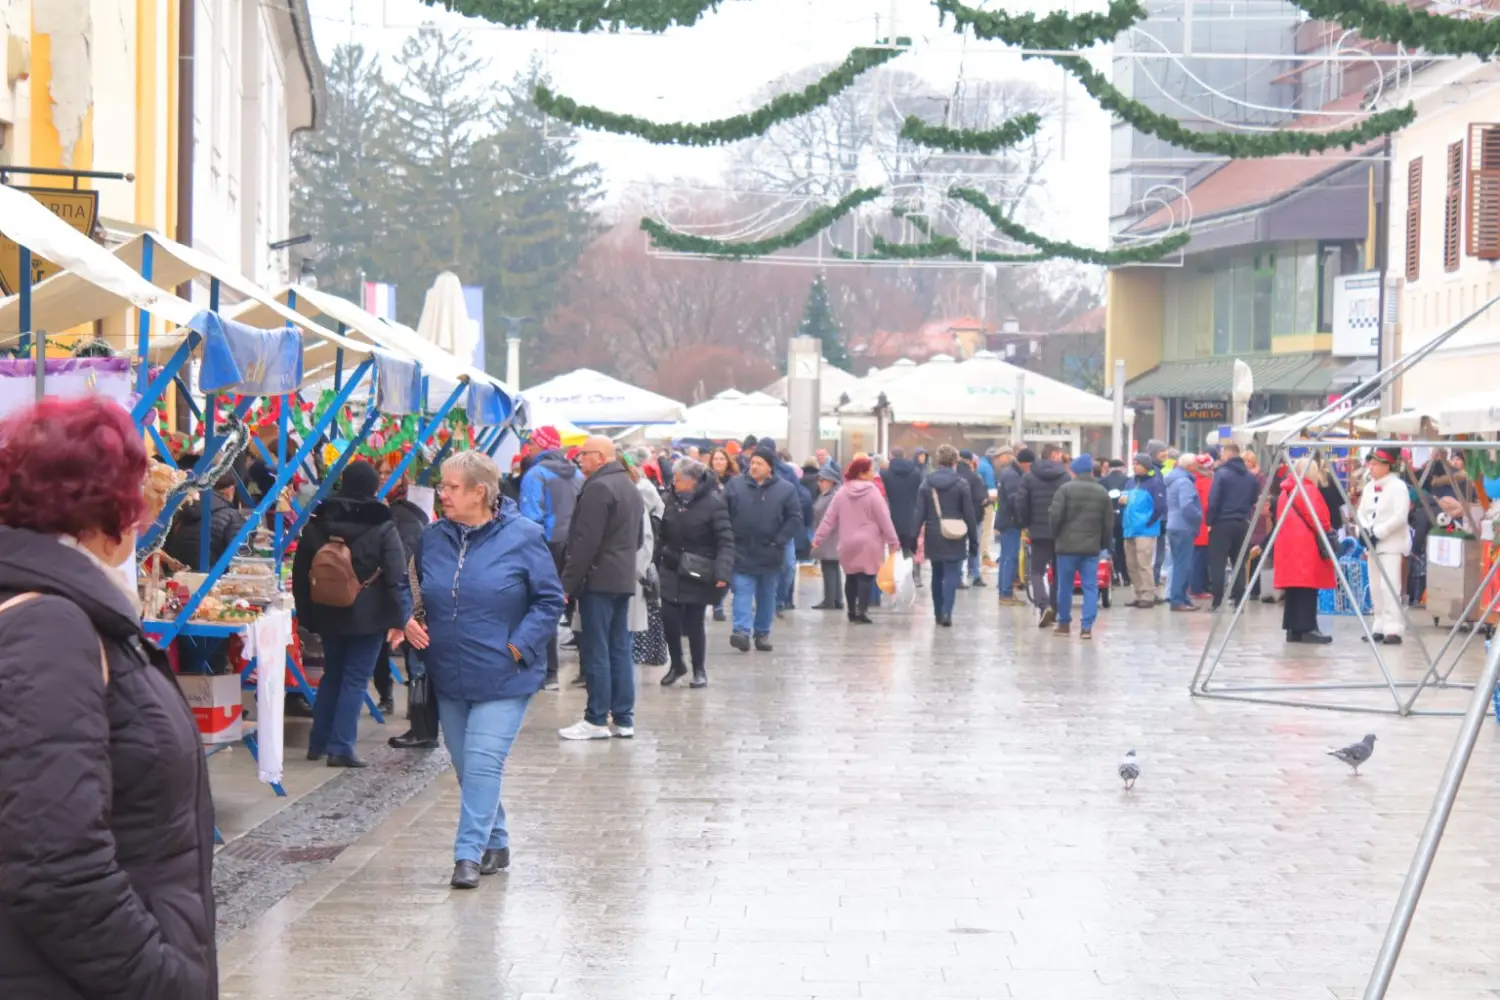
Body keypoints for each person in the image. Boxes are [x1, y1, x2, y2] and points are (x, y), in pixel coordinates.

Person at [0, 397, 218, 998]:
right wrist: (160, 979)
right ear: (108, 506)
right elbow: (53, 863)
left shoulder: (67, 609)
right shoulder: (52, 624)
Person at [398, 451, 564, 888]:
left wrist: (517, 647)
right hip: (448, 672)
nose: (443, 495)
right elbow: (407, 583)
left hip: (503, 674)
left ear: (481, 492)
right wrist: (406, 618)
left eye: (451, 488)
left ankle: (467, 854)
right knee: (467, 764)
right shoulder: (432, 536)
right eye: (442, 486)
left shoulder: (524, 535)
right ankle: (497, 840)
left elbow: (550, 600)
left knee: (484, 761)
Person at [292, 460, 412, 768]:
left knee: (332, 674)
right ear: (373, 487)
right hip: (368, 615)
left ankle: (318, 743)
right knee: (355, 679)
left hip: (327, 610)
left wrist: (306, 612)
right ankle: (341, 746)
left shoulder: (319, 520)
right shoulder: (383, 523)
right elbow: (398, 574)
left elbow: (300, 569)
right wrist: (403, 618)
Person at [559, 436, 645, 741]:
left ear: (600, 456)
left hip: (598, 579)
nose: (579, 460)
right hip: (621, 577)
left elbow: (584, 543)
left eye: (583, 455)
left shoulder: (598, 487)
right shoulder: (629, 486)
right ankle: (623, 718)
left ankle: (596, 719)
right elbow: (637, 539)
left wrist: (567, 585)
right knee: (619, 648)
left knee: (597, 649)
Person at [657, 458, 734, 688]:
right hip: (670, 566)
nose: (674, 483)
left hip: (697, 570)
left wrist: (723, 571)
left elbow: (726, 541)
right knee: (669, 618)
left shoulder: (713, 503)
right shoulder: (668, 500)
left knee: (694, 621)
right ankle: (677, 664)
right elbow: (660, 533)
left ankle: (699, 668)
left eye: (679, 480)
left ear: (693, 482)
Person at [518, 425, 581, 691]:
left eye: (532, 442)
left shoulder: (535, 474)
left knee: (543, 607)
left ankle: (549, 673)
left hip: (547, 546)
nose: (528, 446)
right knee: (577, 608)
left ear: (543, 446)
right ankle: (587, 671)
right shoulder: (578, 474)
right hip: (577, 546)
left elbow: (529, 518)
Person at [724, 447, 802, 651]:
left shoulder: (785, 489)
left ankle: (762, 632)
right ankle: (741, 631)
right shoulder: (735, 485)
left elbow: (794, 518)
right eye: (752, 462)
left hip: (770, 551)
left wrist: (780, 539)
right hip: (742, 550)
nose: (754, 466)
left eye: (759, 463)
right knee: (742, 590)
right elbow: (723, 513)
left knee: (767, 594)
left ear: (770, 467)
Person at [812, 456, 900, 624]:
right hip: (870, 543)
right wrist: (893, 542)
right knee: (866, 577)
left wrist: (818, 538)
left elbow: (829, 519)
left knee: (851, 577)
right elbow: (884, 519)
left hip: (847, 542)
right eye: (870, 471)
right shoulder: (873, 492)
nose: (873, 474)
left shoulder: (841, 492)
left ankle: (851, 611)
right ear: (861, 473)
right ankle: (862, 611)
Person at [1047, 454, 1114, 639]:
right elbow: (1109, 523)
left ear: (1074, 471)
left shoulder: (1064, 490)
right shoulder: (1101, 492)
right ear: (1091, 471)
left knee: (1065, 586)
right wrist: (1104, 544)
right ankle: (1086, 627)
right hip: (1091, 548)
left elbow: (1054, 516)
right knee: (1090, 587)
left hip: (1066, 547)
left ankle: (1064, 624)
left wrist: (1056, 535)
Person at [914, 444, 978, 627]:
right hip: (955, 533)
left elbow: (919, 512)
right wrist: (974, 540)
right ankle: (947, 612)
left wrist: (913, 536)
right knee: (952, 572)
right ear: (954, 462)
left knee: (936, 573)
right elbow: (969, 514)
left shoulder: (927, 482)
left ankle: (937, 613)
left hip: (934, 534)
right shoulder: (961, 483)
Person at [1275, 458, 1335, 644]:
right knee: (1307, 588)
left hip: (1288, 545)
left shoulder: (1286, 490)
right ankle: (1307, 627)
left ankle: (1293, 629)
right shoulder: (1307, 489)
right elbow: (1320, 519)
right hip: (1305, 546)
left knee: (1293, 588)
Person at [1357, 447, 1412, 645]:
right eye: (1370, 463)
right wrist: (1363, 531)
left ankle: (1393, 628)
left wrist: (1378, 532)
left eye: (1375, 463)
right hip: (1373, 546)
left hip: (1391, 544)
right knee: (1375, 588)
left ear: (1387, 465)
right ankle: (1378, 625)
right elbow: (1361, 512)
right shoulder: (1369, 487)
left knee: (1389, 587)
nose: (1371, 467)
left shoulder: (1398, 487)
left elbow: (1400, 516)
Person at [624, 447, 667, 669]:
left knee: (644, 608)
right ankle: (644, 653)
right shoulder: (637, 487)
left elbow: (657, 513)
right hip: (642, 558)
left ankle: (646, 653)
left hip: (642, 560)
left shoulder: (642, 488)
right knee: (643, 611)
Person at [1016, 444, 1069, 627]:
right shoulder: (1065, 477)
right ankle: (1053, 608)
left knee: (1036, 571)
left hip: (1037, 531)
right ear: (1054, 455)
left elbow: (1021, 503)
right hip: (1060, 531)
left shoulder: (1029, 476)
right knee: (1059, 572)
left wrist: (1024, 524)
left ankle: (1043, 604)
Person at [163, 464, 248, 571]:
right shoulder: (233, 517)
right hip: (213, 582)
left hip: (176, 579)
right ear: (231, 490)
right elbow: (241, 560)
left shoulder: (180, 510)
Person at [1205, 442, 1258, 611]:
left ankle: (1217, 602)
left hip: (1222, 523)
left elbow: (1213, 501)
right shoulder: (1250, 477)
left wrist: (1210, 522)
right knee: (1239, 563)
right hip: (1242, 522)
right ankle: (1239, 602)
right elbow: (1254, 498)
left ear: (1227, 456)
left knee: (1218, 564)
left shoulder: (1222, 474)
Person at [1119, 452, 1165, 609]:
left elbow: (1160, 506)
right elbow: (1123, 500)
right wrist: (1121, 503)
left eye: (1137, 463)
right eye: (1134, 463)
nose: (1134, 466)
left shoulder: (1155, 483)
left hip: (1146, 530)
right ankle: (1138, 593)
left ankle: (1148, 594)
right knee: (1131, 564)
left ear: (1145, 466)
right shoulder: (1130, 483)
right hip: (1129, 529)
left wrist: (1148, 522)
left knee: (1143, 563)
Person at [1164, 454, 1204, 612]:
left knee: (1179, 563)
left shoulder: (1173, 480)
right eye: (1195, 463)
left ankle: (1183, 597)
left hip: (1173, 525)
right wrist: (1198, 516)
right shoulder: (1185, 482)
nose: (1197, 466)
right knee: (1183, 565)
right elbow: (1187, 505)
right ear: (1189, 466)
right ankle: (1178, 600)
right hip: (1184, 527)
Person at [880, 446, 924, 580]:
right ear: (904, 456)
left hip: (893, 516)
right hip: (912, 516)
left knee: (894, 547)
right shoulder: (916, 473)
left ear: (891, 456)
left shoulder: (885, 474)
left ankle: (896, 575)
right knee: (910, 547)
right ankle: (913, 575)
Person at [707, 448, 739, 621]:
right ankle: (717, 605)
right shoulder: (706, 480)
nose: (718, 462)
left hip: (731, 527)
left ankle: (723, 600)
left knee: (728, 566)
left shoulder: (734, 481)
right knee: (715, 568)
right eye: (716, 459)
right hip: (712, 527)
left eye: (721, 459)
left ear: (727, 461)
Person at [810, 464, 844, 611]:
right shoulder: (828, 495)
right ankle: (836, 599)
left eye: (823, 480)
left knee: (829, 567)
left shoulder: (832, 496)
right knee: (832, 567)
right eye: (819, 481)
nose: (820, 483)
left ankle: (830, 600)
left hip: (829, 537)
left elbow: (829, 518)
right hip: (829, 537)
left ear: (831, 481)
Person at [994, 447, 1025, 606]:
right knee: (1009, 557)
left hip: (1007, 520)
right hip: (1011, 521)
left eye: (1000, 457)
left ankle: (1004, 590)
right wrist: (1023, 518)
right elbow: (1015, 500)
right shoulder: (1012, 475)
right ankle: (1006, 593)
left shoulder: (1007, 473)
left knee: (1007, 556)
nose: (998, 460)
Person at [956, 449, 990, 587]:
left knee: (958, 547)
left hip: (956, 517)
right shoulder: (974, 477)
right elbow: (982, 498)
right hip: (974, 516)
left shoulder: (953, 475)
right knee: (973, 545)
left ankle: (957, 576)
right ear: (970, 461)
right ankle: (975, 575)